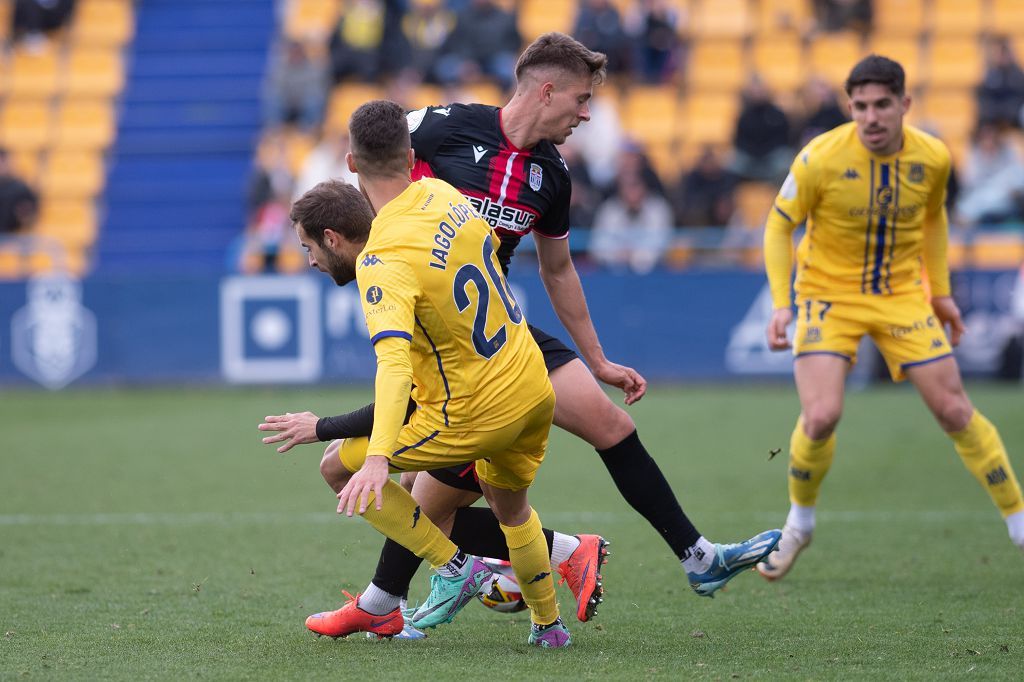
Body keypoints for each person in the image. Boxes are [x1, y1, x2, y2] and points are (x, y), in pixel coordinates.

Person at [261, 32, 780, 635]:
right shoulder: (443, 126)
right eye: (581, 100)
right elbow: (372, 149)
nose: (586, 114)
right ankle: (423, 592)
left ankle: (696, 557)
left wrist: (599, 359)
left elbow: (558, 270)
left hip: (497, 328)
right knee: (424, 498)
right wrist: (338, 237)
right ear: (547, 89)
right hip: (439, 326)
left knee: (608, 424)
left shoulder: (553, 176)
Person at [284, 100, 572, 648]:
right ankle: (549, 627)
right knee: (513, 510)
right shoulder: (447, 195)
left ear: (350, 162)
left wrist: (375, 459)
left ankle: (455, 568)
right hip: (533, 386)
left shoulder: (382, 255)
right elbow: (489, 253)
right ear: (413, 156)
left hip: (479, 411)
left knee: (337, 470)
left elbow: (394, 367)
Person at [757, 55, 1024, 582]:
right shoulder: (820, 158)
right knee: (821, 416)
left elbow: (933, 220)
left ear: (905, 104)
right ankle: (799, 524)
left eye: (882, 105)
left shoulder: (934, 157)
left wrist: (941, 293)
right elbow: (777, 225)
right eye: (860, 106)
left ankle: (1018, 522)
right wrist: (782, 303)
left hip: (901, 295)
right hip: (827, 296)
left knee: (953, 409)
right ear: (849, 107)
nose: (871, 117)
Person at [0, 148, 39, 236]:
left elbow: (29, 217)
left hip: (12, 237)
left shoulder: (20, 188)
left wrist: (25, 215)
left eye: (2, 161)